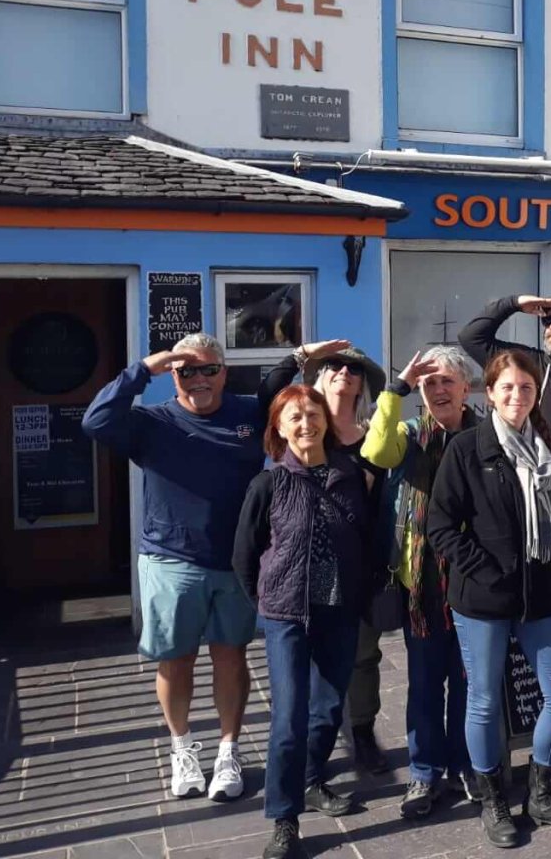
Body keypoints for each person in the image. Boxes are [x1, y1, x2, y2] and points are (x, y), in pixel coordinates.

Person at [82, 332, 346, 802]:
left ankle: (228, 750)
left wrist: (303, 355)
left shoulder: (246, 413)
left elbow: (285, 397)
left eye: (208, 369)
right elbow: (96, 419)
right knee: (176, 659)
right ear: (173, 376)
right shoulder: (151, 422)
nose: (198, 378)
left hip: (236, 562)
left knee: (230, 655)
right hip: (171, 560)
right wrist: (145, 368)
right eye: (186, 371)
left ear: (223, 372)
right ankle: (181, 747)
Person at [426, 349, 551, 848]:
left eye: (525, 388)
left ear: (535, 393)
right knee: (482, 701)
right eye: (507, 388)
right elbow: (440, 526)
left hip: (539, 596)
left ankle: (541, 794)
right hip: (481, 599)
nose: (517, 396)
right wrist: (487, 568)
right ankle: (493, 798)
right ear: (490, 393)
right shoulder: (468, 448)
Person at [233, 384, 375, 859]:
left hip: (339, 609)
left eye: (312, 414)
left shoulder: (349, 474)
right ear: (278, 427)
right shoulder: (268, 483)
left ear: (325, 421)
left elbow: (369, 537)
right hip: (286, 613)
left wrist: (364, 590)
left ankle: (312, 780)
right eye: (294, 417)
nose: (305, 423)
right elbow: (244, 555)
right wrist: (266, 598)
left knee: (328, 708)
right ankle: (284, 818)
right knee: (288, 718)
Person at [361, 345, 479, 820]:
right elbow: (373, 450)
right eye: (430, 384)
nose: (439, 390)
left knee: (471, 685)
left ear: (467, 388)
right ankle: (424, 771)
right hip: (423, 584)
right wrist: (397, 388)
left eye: (448, 380)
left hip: (473, 582)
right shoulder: (408, 436)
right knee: (426, 684)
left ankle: (467, 765)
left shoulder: (486, 434)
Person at [299, 346, 392, 777]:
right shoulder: (307, 431)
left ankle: (362, 732)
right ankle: (317, 744)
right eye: (334, 366)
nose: (343, 373)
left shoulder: (375, 435)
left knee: (363, 656)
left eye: (354, 368)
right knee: (317, 658)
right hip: (314, 565)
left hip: (364, 564)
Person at [458, 293, 551, 466]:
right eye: (547, 321)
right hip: (527, 482)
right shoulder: (527, 364)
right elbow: (471, 338)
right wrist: (513, 304)